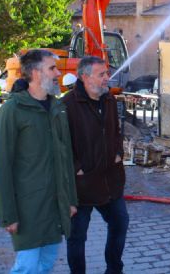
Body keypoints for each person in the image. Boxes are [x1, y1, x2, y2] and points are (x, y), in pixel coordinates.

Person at [0, 49, 78, 274]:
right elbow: (1, 167)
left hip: (54, 205)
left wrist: (70, 200)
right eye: (52, 68)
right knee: (27, 267)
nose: (58, 73)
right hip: (28, 208)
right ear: (36, 73)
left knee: (47, 262)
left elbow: (65, 157)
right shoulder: (12, 110)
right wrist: (8, 215)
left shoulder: (57, 108)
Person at [62, 56, 128, 274]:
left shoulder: (109, 100)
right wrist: (76, 168)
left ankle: (114, 269)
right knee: (77, 237)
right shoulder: (67, 105)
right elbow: (61, 145)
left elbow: (116, 131)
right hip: (81, 186)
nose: (107, 79)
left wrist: (118, 152)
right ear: (84, 77)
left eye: (107, 73)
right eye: (101, 74)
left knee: (120, 223)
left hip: (110, 180)